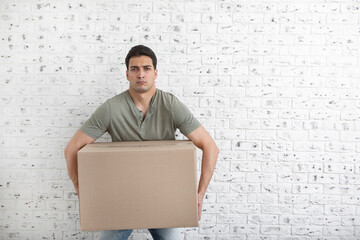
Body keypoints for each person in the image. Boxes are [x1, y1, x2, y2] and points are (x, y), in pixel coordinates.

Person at [64, 45, 219, 240]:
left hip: (164, 198)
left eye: (146, 68)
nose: (141, 74)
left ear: (155, 73)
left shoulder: (171, 105)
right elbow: (72, 148)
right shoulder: (111, 108)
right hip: (121, 199)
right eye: (134, 69)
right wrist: (81, 190)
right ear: (127, 74)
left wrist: (199, 195)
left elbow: (210, 147)